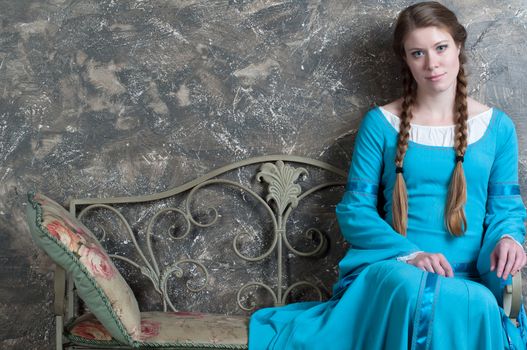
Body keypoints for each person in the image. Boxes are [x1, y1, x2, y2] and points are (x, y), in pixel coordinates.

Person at [248, 2, 527, 349]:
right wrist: (411, 255)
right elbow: (355, 211)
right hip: (396, 271)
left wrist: (508, 240)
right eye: (417, 53)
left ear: (458, 46)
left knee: (475, 301)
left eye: (440, 48)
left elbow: (506, 210)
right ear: (406, 60)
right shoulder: (381, 124)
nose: (432, 63)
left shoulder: (498, 128)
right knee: (416, 290)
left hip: (468, 277)